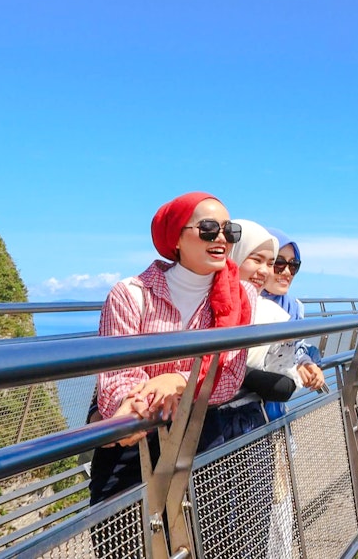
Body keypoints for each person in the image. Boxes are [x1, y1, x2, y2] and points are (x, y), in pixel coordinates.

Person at [89, 192, 263, 507]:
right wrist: (136, 411)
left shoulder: (242, 296)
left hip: (201, 439)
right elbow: (117, 376)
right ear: (177, 237)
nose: (222, 237)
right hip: (135, 438)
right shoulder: (131, 294)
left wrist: (176, 381)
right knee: (123, 541)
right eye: (209, 228)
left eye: (229, 230)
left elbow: (230, 378)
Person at [261, 227, 325, 390]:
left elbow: (295, 348)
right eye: (279, 263)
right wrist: (291, 368)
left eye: (294, 265)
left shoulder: (294, 307)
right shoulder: (242, 304)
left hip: (274, 404)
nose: (287, 272)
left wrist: (306, 363)